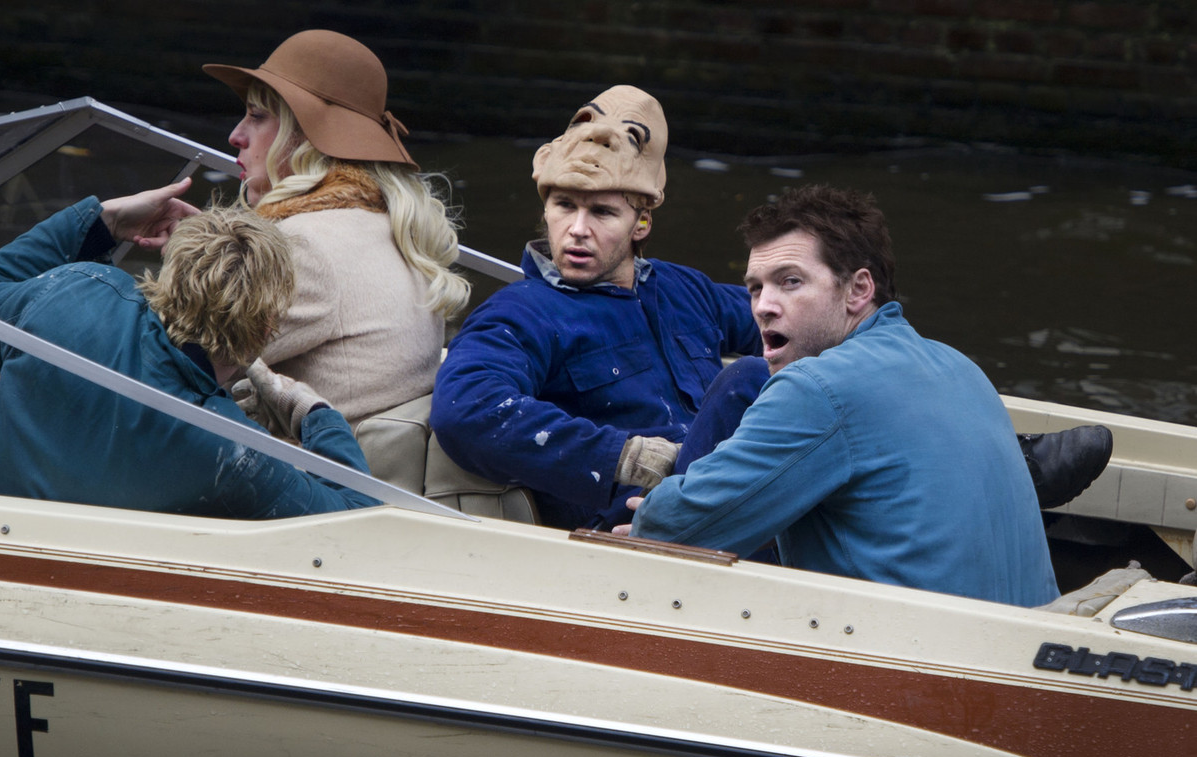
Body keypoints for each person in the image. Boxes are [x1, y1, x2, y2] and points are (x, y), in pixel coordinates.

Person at [621, 184, 1060, 607]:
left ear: (858, 290)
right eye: (756, 287)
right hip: (1030, 645)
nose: (762, 306)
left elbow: (672, 530)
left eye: (790, 281)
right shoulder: (961, 366)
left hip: (913, 660)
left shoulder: (816, 388)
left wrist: (653, 516)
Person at [0, 179, 379, 520]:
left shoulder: (79, 291)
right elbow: (358, 522)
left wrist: (101, 219)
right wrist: (317, 414)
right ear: (269, 323)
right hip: (38, 587)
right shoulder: (230, 451)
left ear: (173, 272)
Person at [430, 85, 767, 531]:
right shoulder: (521, 314)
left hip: (731, 497)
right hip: (628, 528)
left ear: (641, 223)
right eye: (564, 206)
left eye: (603, 213)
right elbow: (465, 409)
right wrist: (622, 457)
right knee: (748, 379)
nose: (577, 230)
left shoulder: (682, 288)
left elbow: (780, 316)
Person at [202, 30, 470, 428]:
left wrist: (187, 254)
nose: (236, 135)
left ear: (307, 135)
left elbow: (183, 361)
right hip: (367, 468)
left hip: (314, 478)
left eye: (257, 116)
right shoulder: (390, 224)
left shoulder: (304, 244)